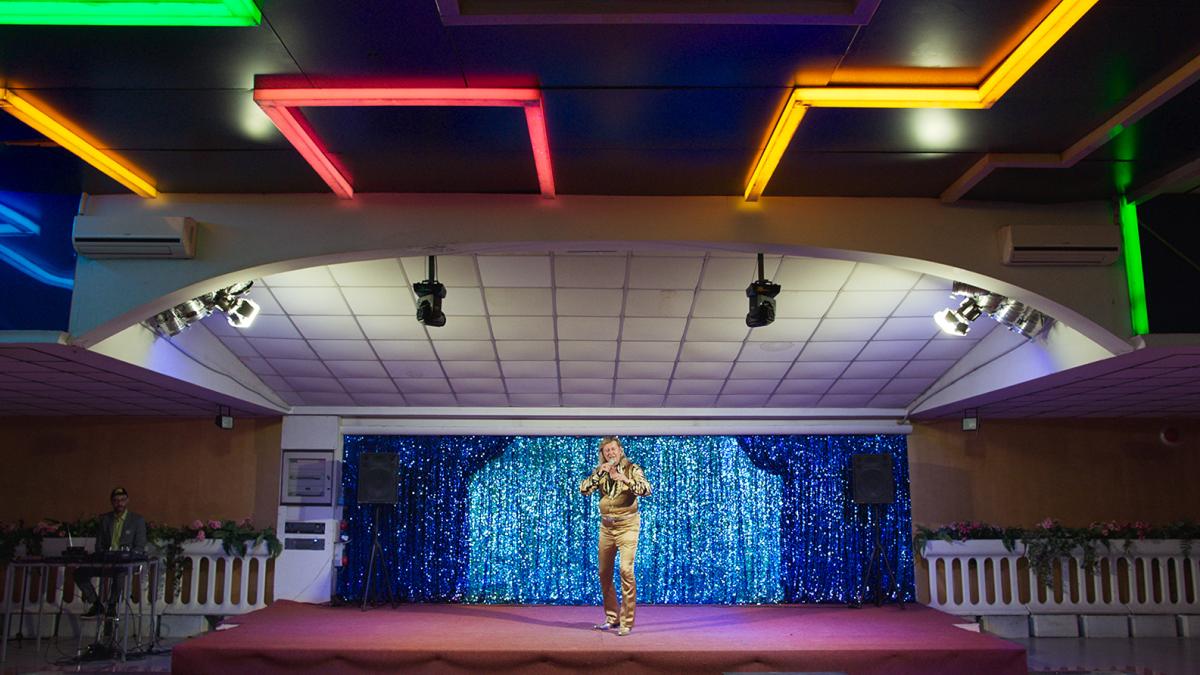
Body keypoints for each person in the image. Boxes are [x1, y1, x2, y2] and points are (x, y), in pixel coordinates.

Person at [579, 436, 651, 636]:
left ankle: (627, 622)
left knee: (626, 571)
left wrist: (625, 480)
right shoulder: (600, 472)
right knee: (604, 572)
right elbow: (584, 490)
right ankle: (612, 617)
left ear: (620, 451)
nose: (610, 453)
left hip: (627, 525)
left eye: (613, 450)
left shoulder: (632, 469)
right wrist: (597, 475)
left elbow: (646, 489)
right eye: (606, 451)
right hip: (606, 527)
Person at [74, 487, 148, 617]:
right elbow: (99, 544)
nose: (119, 503)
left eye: (122, 500)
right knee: (80, 573)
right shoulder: (105, 519)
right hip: (106, 561)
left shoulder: (137, 520)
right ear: (112, 502)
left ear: (127, 501)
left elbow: (140, 546)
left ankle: (112, 606)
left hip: (125, 563)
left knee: (119, 572)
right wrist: (103, 557)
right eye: (116, 500)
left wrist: (127, 556)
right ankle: (96, 604)